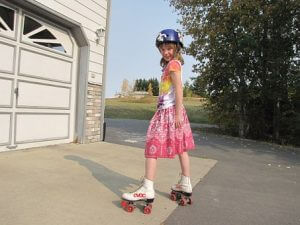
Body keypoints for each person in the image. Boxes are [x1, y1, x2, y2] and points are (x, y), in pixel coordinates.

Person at [122, 29, 195, 209]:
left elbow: (178, 90)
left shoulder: (173, 65)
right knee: (181, 147)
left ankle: (147, 188)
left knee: (152, 146)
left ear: (177, 48)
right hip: (169, 111)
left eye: (169, 48)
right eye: (162, 49)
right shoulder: (171, 65)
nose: (166, 52)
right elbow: (166, 93)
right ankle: (185, 182)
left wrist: (177, 114)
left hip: (171, 113)